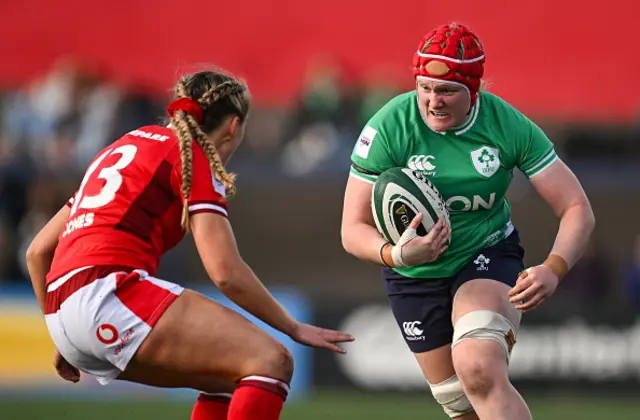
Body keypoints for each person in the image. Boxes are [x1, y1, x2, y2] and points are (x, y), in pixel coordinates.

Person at [26, 70, 354, 420]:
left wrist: (63, 332)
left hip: (63, 312)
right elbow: (225, 272)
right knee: (271, 360)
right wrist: (292, 327)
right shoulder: (190, 155)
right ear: (233, 126)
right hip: (108, 294)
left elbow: (38, 251)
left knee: (228, 376)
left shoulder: (121, 147)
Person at [341, 22, 595, 420]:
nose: (432, 101)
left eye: (446, 90)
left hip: (485, 252)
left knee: (478, 369)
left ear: (473, 90)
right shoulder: (389, 126)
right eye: (424, 87)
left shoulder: (505, 125)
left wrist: (554, 268)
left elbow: (577, 207)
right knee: (460, 405)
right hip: (412, 273)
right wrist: (398, 254)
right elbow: (352, 230)